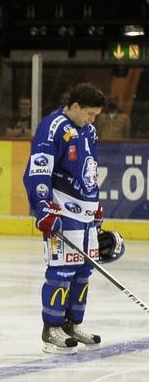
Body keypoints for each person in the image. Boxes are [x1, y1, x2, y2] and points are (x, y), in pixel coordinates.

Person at [24, 83, 123, 354]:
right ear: (75, 106)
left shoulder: (88, 130)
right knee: (62, 271)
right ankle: (52, 328)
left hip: (86, 213)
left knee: (83, 271)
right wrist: (43, 206)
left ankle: (72, 324)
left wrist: (96, 207)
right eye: (89, 113)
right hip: (62, 212)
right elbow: (38, 169)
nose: (93, 120)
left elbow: (87, 171)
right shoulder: (52, 126)